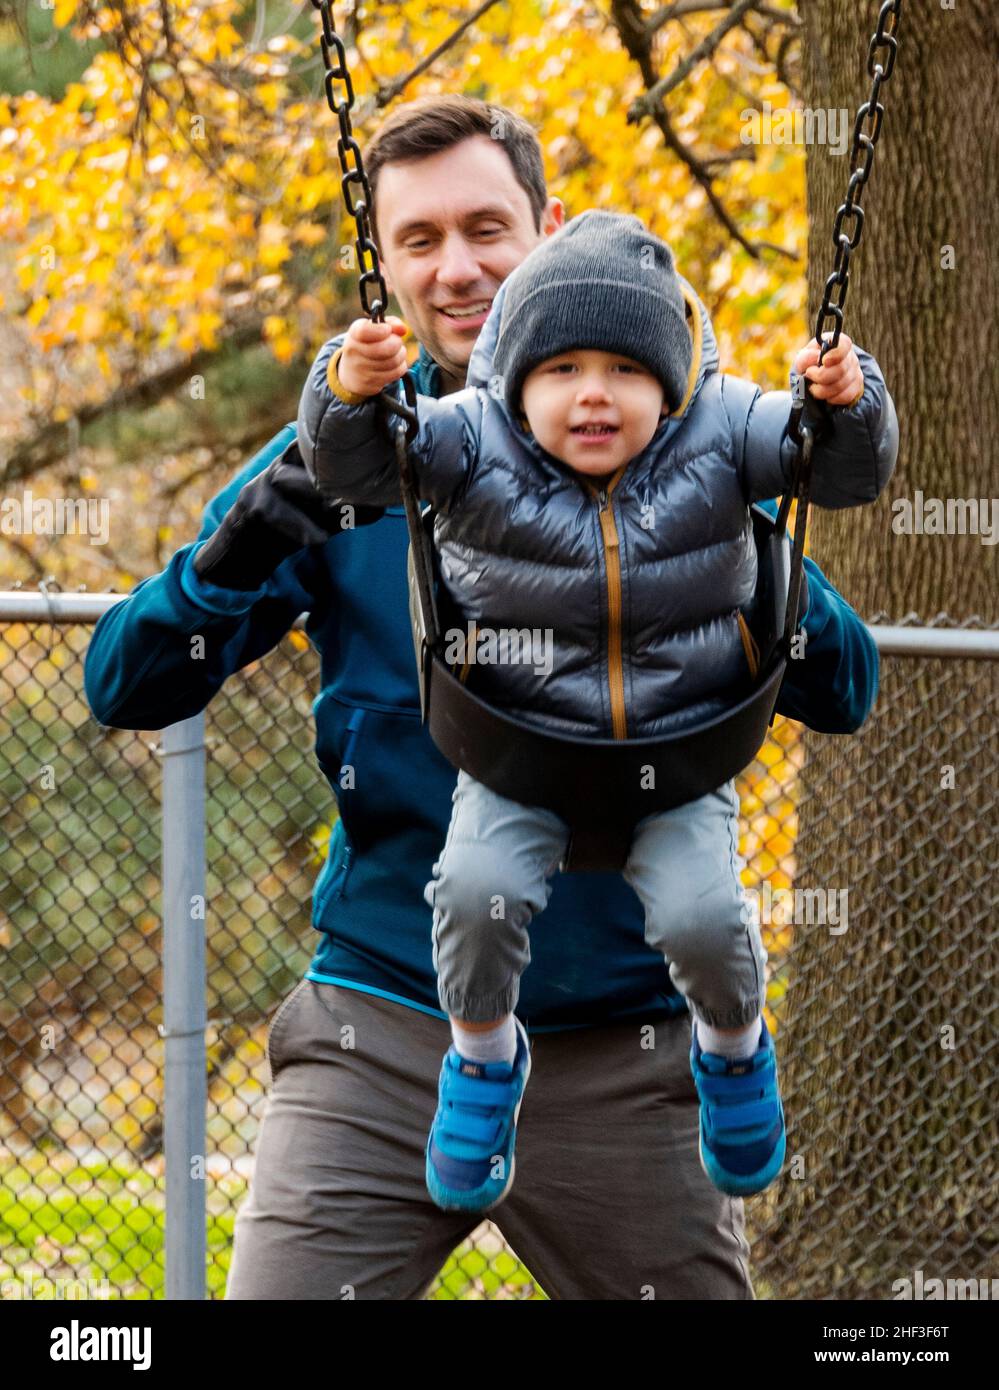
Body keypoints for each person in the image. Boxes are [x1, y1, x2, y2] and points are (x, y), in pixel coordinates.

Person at [85, 95, 897, 1299]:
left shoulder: (680, 456)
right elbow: (125, 684)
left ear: (552, 229)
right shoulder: (355, 453)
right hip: (390, 1026)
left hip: (627, 1042)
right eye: (417, 240)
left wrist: (770, 566)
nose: (456, 269)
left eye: (485, 228)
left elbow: (846, 694)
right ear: (386, 263)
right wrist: (229, 560)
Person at [297, 207, 898, 1215]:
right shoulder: (467, 438)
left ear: (669, 383)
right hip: (519, 758)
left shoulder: (726, 430)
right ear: (515, 378)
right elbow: (355, 465)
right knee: (473, 894)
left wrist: (848, 400)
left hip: (679, 757)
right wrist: (348, 388)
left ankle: (732, 1047)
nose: (592, 395)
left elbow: (838, 471)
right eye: (561, 368)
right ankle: (485, 1059)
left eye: (624, 369)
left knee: (706, 918)